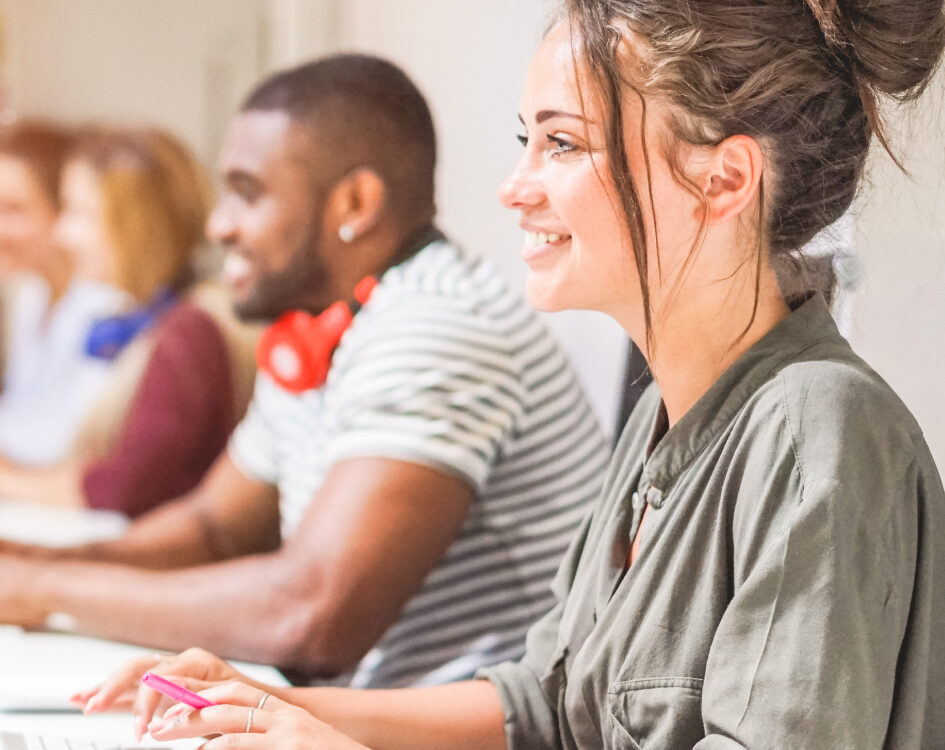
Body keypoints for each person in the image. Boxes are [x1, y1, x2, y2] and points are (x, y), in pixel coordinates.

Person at [84, 0, 945, 748]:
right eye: (525, 140)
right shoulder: (665, 422)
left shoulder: (816, 430)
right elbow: (541, 705)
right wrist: (269, 704)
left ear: (721, 181)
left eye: (561, 144)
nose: (513, 187)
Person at [0, 54, 608, 703]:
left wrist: (42, 590)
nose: (219, 223)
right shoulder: (325, 325)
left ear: (354, 203)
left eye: (248, 192)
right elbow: (214, 526)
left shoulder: (435, 321)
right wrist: (33, 569)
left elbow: (312, 613)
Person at [0, 126, 255, 517]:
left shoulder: (186, 332)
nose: (64, 235)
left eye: (81, 215)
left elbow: (125, 487)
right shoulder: (143, 318)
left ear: (138, 224)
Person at [0, 121, 126, 466]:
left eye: (14, 210)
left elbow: (72, 441)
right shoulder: (30, 295)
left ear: (62, 210)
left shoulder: (107, 307)